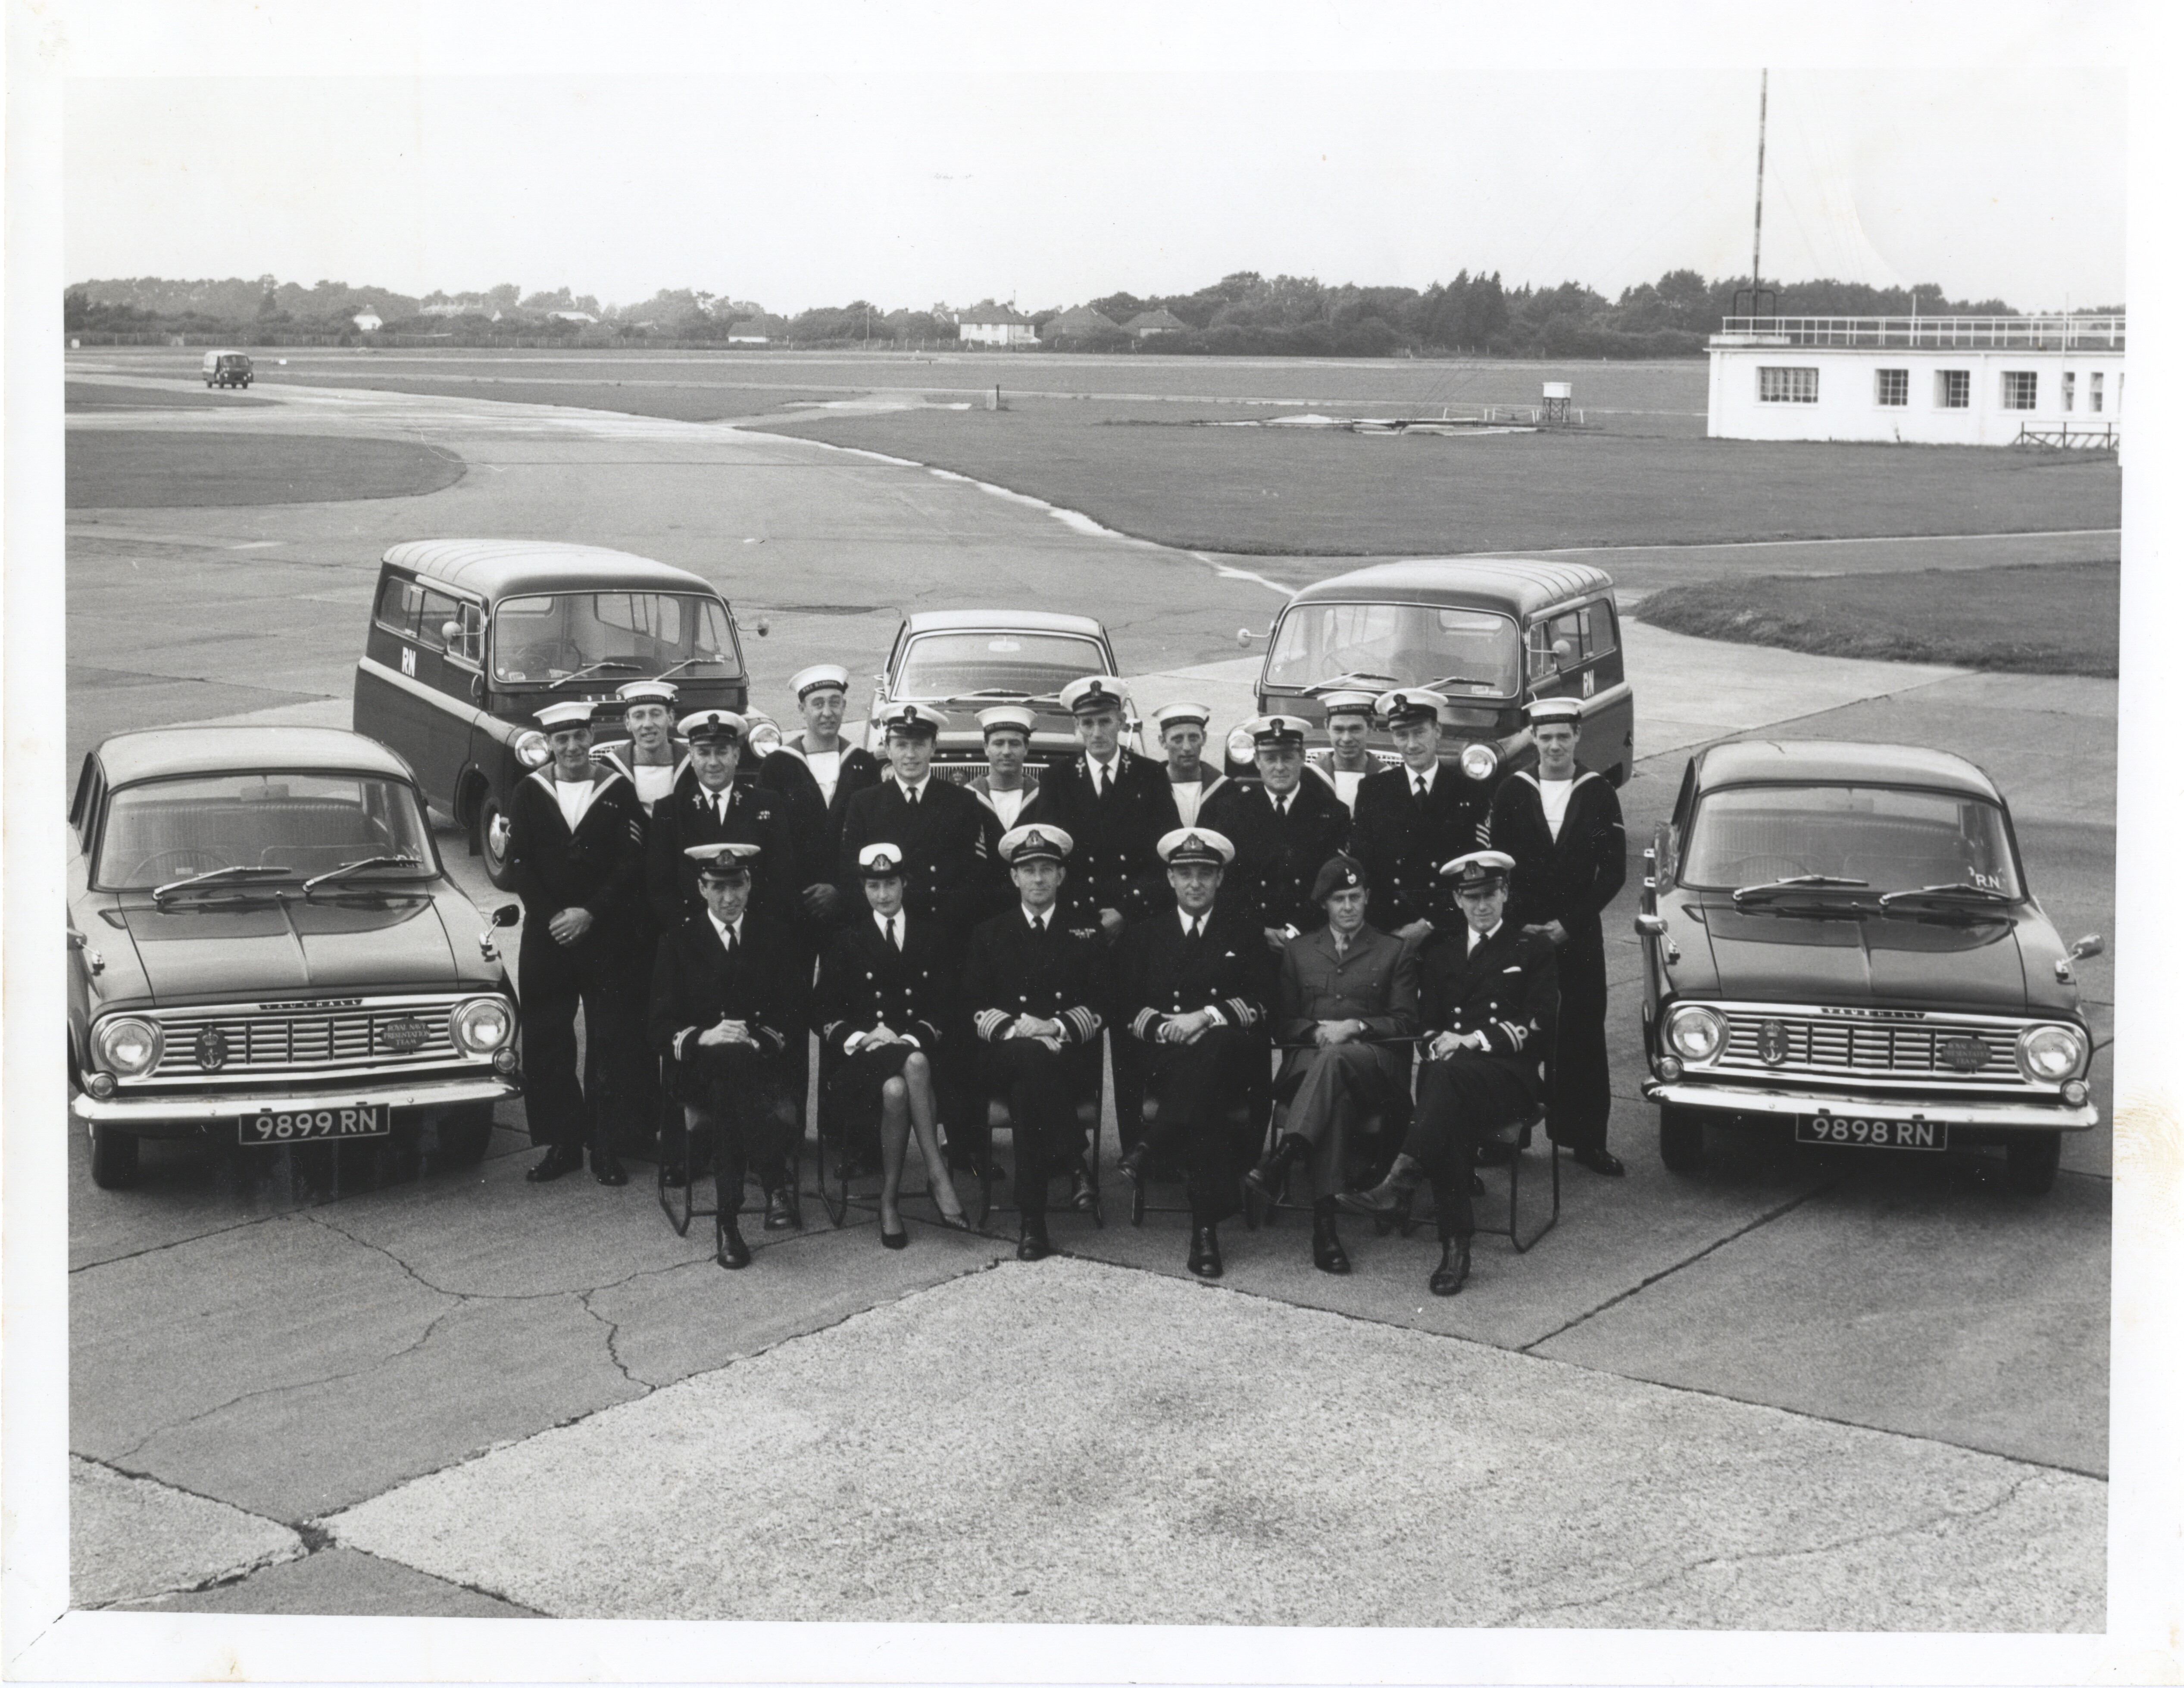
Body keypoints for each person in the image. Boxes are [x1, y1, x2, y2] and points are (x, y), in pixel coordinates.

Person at [1338, 852, 1558, 1296]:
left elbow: (1539, 1023)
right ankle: (1454, 1249)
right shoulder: (1441, 954)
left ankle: (1402, 1184)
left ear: (1505, 894)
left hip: (1507, 1075)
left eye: (1491, 895)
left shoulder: (1531, 948)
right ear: (1457, 899)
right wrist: (1439, 1042)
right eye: (1472, 896)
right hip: (1452, 1076)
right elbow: (1427, 1023)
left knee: (1444, 1084)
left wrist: (1473, 1041)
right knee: (1445, 1096)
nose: (1482, 905)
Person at [646, 708, 803, 1214]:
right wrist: (700, 938)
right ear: (690, 755)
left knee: (739, 1063)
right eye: (703, 751)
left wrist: (750, 932)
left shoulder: (767, 804)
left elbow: (779, 880)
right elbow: (664, 887)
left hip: (750, 958)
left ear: (739, 753)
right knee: (730, 1064)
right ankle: (772, 1179)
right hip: (699, 963)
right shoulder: (671, 809)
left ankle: (736, 1200)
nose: (713, 761)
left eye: (723, 751)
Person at [1246, 855, 1420, 1274]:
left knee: (1339, 1056)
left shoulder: (1395, 949)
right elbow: (1283, 1020)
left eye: (1355, 897)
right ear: (1324, 903)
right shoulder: (1299, 950)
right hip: (1311, 1068)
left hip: (1374, 1069)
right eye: (1339, 899)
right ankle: (1324, 1230)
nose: (1348, 907)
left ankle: (1286, 1156)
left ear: (1368, 898)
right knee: (1334, 1095)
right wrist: (1313, 1033)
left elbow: (1407, 1021)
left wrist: (1355, 1026)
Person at [1112, 828, 1273, 1280]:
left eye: (1205, 873)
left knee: (1216, 1045)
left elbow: (1261, 1001)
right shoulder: (1145, 935)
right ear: (1170, 878)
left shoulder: (1243, 931)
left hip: (1231, 1057)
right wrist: (1171, 1028)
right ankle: (1205, 1231)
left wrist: (1203, 1017)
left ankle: (1153, 1144)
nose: (1195, 883)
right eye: (1186, 873)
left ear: (1220, 878)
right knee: (1207, 1097)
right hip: (1166, 1056)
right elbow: (1126, 1005)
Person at [504, 699, 649, 1187]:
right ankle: (562, 1144)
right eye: (561, 739)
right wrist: (554, 917)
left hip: (606, 934)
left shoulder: (617, 787)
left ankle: (607, 1145)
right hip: (548, 937)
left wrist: (590, 912)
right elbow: (519, 863)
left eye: (579, 737)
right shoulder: (529, 790)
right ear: (549, 743)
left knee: (612, 1039)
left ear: (592, 737)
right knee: (547, 1039)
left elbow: (631, 862)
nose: (571, 747)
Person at [1487, 696, 1628, 1176]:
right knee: (1515, 1032)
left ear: (1577, 737)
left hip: (1578, 936)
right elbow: (1498, 866)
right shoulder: (1511, 790)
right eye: (1544, 737)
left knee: (1582, 1034)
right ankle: (1508, 1135)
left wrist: (1568, 924)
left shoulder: (1598, 791)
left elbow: (1612, 873)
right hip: (1522, 935)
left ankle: (1586, 1139)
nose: (1553, 746)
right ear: (1534, 738)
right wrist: (1520, 921)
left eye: (1562, 737)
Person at [650, 844, 807, 1270]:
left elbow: (793, 1013)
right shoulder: (678, 942)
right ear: (702, 888)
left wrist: (757, 1041)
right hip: (697, 1070)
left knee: (730, 1087)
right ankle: (774, 1181)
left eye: (736, 885)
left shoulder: (774, 937)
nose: (728, 897)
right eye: (717, 887)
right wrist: (707, 1035)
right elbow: (660, 1025)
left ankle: (729, 1223)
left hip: (754, 1069)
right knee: (726, 1073)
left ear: (750, 884)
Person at [959, 824, 1108, 1261]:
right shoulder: (990, 932)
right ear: (1014, 878)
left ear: (1061, 876)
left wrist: (1055, 1027)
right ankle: (1075, 1161)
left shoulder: (1086, 931)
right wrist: (1019, 1030)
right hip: (1001, 1056)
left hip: (1063, 1059)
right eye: (1029, 870)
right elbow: (970, 1002)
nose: (1038, 879)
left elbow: (1103, 1002)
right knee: (1027, 1059)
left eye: (1047, 869)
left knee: (1029, 1090)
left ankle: (1033, 1222)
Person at [815, 844, 973, 1244]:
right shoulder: (844, 940)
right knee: (914, 1064)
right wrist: (863, 1037)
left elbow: (945, 1008)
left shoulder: (932, 936)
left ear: (905, 883)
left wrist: (903, 1039)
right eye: (873, 885)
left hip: (913, 1053)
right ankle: (937, 1174)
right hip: (861, 1060)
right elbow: (821, 1011)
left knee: (899, 1085)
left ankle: (888, 1202)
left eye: (890, 883)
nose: (883, 894)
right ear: (863, 888)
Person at [835, 702, 1006, 949]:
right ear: (888, 748)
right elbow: (851, 873)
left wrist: (946, 929)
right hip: (887, 933)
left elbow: (974, 876)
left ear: (934, 746)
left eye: (919, 745)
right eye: (901, 745)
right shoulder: (865, 803)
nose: (910, 755)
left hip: (946, 933)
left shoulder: (962, 801)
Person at [1025, 675, 1176, 938]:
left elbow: (1167, 855)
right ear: (1077, 725)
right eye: (1088, 723)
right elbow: (1049, 857)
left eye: (1105, 721)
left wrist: (1126, 912)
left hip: (1137, 918)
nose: (1097, 733)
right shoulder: (1057, 778)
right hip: (1076, 918)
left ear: (1121, 721)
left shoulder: (1150, 775)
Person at [1348, 689, 1491, 945]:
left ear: (1438, 731)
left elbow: (1475, 872)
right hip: (1388, 932)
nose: (1411, 744)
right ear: (1393, 737)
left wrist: (1428, 925)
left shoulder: (1470, 792)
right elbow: (1363, 868)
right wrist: (1386, 934)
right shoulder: (1373, 791)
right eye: (1402, 735)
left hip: (1448, 930)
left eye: (1419, 732)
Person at [1203, 715, 1351, 954]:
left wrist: (1294, 929)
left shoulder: (1331, 813)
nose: (1280, 767)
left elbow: (1332, 883)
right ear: (1258, 761)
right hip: (1250, 938)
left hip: (1312, 937)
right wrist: (1258, 931)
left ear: (1302, 758)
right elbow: (1225, 884)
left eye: (1288, 757)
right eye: (1271, 758)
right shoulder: (1232, 811)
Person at [757, 663, 884, 930]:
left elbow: (872, 836)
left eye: (835, 703)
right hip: (794, 907)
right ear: (802, 710)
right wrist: (799, 895)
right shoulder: (777, 766)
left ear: (845, 706)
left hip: (850, 905)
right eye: (817, 704)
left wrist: (841, 890)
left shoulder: (863, 764)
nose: (828, 713)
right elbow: (769, 840)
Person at [591, 679, 684, 813]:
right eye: (638, 716)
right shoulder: (611, 768)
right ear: (627, 722)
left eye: (656, 714)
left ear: (670, 717)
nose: (647, 724)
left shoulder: (691, 766)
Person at [1149, 702, 1229, 828]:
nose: (1187, 747)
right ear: (1163, 742)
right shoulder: (1148, 790)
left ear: (1204, 738)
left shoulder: (1224, 789)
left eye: (1193, 738)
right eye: (1177, 739)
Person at [966, 705, 1042, 833]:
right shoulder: (967, 798)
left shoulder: (1042, 798)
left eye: (1015, 744)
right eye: (999, 743)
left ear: (1027, 748)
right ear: (986, 748)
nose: (1006, 752)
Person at [1306, 690, 1378, 812]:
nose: (1347, 739)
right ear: (1327, 727)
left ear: (1370, 727)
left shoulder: (1386, 777)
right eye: (1338, 729)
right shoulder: (1310, 778)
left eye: (1355, 729)